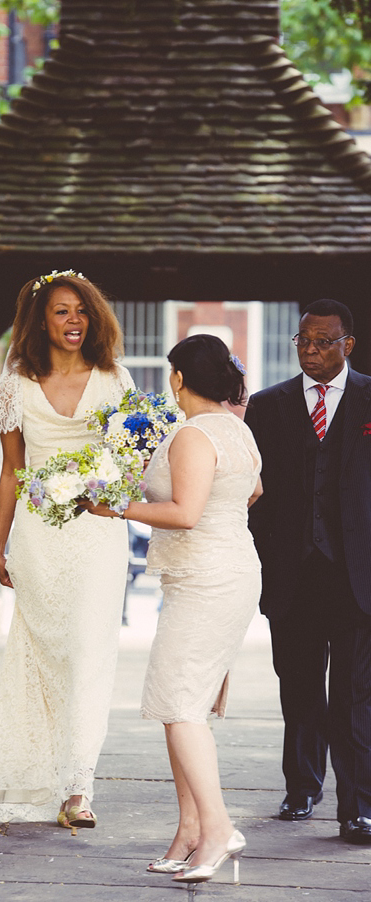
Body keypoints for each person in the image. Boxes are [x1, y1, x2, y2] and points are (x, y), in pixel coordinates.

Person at [86, 334, 263, 885]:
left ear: (180, 380)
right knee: (178, 702)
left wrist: (116, 508)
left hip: (207, 578)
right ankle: (189, 830)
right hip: (225, 571)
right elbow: (252, 490)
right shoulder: (237, 428)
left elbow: (185, 513)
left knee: (182, 705)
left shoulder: (192, 433)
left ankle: (217, 829)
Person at [0, 269, 134, 830]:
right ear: (41, 320)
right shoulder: (15, 384)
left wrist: (109, 488)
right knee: (48, 655)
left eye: (82, 311)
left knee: (89, 652)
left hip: (98, 532)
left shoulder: (115, 380)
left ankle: (77, 788)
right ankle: (40, 771)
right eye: (62, 311)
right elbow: (12, 470)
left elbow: (130, 462)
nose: (74, 321)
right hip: (39, 536)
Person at [245, 298, 371, 845]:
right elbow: (252, 495)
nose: (312, 351)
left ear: (348, 344)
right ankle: (302, 788)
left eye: (324, 341)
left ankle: (358, 806)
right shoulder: (268, 406)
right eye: (304, 342)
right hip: (292, 575)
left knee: (353, 695)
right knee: (297, 687)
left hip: (357, 577)